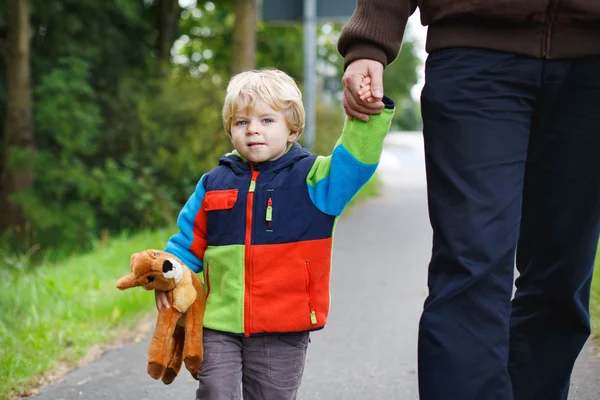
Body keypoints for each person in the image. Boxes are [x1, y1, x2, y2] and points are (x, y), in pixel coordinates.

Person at [338, 1, 600, 400]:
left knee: (563, 277)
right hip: (475, 54)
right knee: (471, 265)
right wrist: (370, 41)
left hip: (592, 64)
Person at [151, 68, 394, 400]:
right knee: (215, 390)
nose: (253, 130)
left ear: (292, 129)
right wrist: (170, 274)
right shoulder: (213, 183)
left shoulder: (315, 179)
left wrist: (367, 116)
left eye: (267, 120)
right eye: (241, 122)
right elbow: (186, 242)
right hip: (219, 320)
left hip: (286, 324)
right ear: (230, 129)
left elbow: (356, 163)